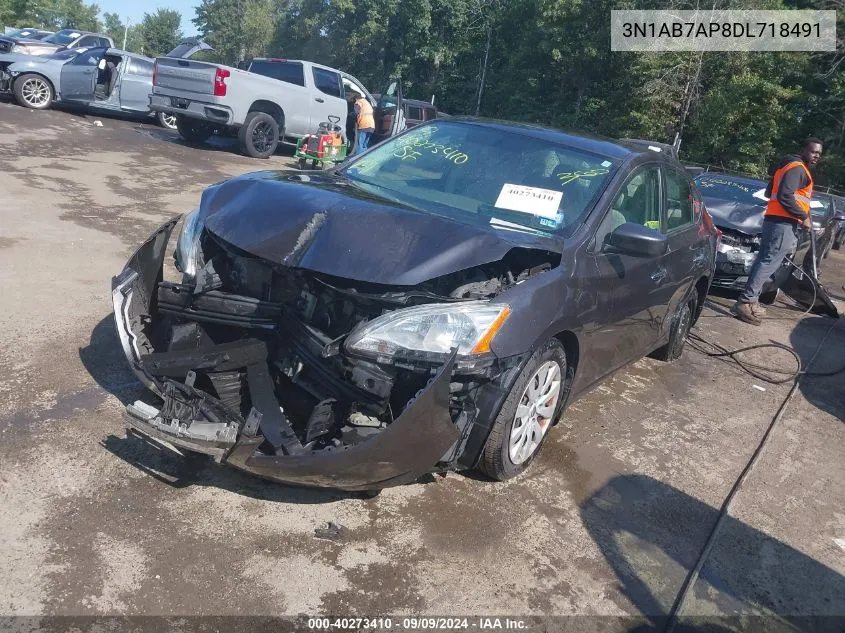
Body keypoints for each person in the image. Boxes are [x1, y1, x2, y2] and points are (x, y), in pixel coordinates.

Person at [732, 138, 823, 325]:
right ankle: (746, 301)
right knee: (768, 262)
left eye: (819, 154)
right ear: (804, 150)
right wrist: (803, 216)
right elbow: (784, 195)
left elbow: (769, 193)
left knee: (765, 260)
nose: (816, 156)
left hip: (774, 220)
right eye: (813, 152)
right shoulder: (798, 168)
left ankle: (749, 300)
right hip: (783, 222)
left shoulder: (785, 166)